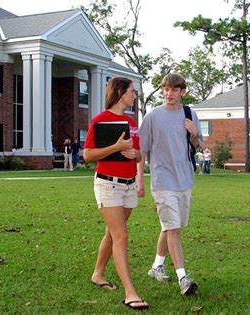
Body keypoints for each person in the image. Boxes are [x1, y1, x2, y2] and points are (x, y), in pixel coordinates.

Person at [83, 77, 148, 310]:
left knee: (112, 234)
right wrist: (116, 148)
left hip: (129, 185)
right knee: (120, 235)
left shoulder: (131, 122)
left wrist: (135, 156)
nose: (134, 95)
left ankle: (98, 274)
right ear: (120, 92)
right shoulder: (100, 120)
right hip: (107, 184)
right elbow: (88, 155)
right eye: (132, 91)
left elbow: (140, 154)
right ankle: (130, 292)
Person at [138, 72, 202, 296]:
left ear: (182, 91)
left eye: (174, 89)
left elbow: (197, 145)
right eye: (166, 89)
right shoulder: (153, 116)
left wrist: (194, 134)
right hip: (162, 180)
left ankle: (156, 266)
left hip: (184, 179)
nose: (169, 93)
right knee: (173, 228)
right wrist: (140, 180)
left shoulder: (190, 114)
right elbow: (141, 150)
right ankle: (183, 278)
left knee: (170, 226)